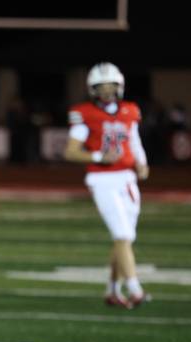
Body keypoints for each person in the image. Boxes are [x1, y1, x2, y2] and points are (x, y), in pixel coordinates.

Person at [63, 62, 150, 309]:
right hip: (102, 179)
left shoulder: (130, 111)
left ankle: (112, 290)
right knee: (122, 235)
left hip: (127, 179)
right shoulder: (84, 114)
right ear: (92, 89)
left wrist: (142, 162)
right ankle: (135, 289)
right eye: (101, 87)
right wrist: (99, 156)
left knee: (125, 239)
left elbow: (134, 141)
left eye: (111, 86)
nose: (107, 91)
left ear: (120, 86)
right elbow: (70, 152)